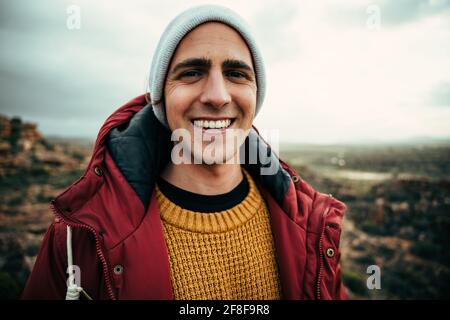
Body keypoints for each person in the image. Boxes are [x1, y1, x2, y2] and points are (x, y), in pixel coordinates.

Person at [22, 4, 347, 300]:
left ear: (256, 94)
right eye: (192, 72)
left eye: (236, 74)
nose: (217, 96)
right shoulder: (79, 239)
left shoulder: (312, 228)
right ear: (158, 97)